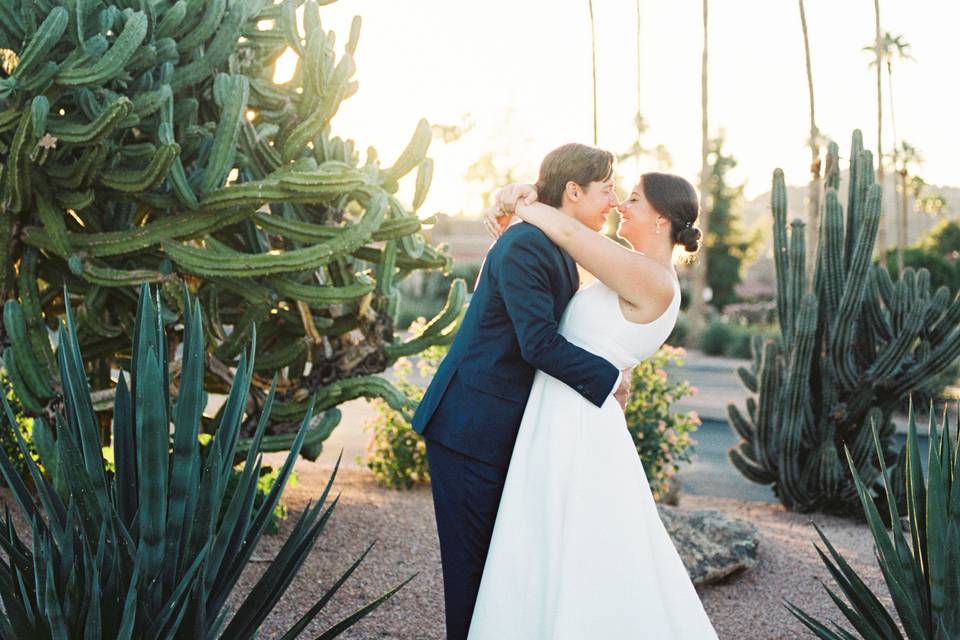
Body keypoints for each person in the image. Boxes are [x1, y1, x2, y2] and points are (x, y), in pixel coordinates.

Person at [467, 172, 719, 639]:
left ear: (661, 220)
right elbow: (549, 270)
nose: (623, 204)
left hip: (579, 428)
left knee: (579, 555)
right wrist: (513, 208)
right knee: (547, 549)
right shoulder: (628, 270)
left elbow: (567, 231)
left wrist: (524, 200)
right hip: (562, 416)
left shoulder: (651, 277)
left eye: (636, 200)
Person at [411, 143, 631, 640]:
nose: (614, 200)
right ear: (573, 191)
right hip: (470, 427)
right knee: (474, 574)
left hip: (500, 426)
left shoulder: (553, 244)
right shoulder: (527, 244)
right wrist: (610, 377)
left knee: (501, 571)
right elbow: (538, 344)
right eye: (608, 188)